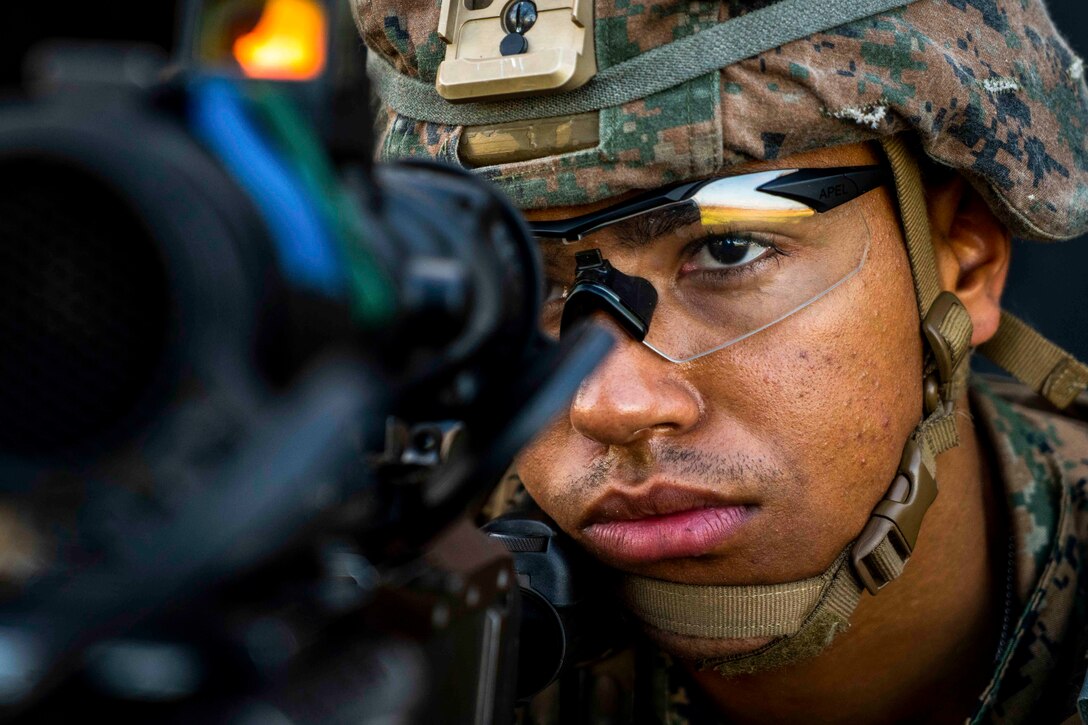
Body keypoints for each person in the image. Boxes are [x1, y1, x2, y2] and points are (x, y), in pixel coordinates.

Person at [355, 0, 1088, 720]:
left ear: (966, 254)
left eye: (726, 249)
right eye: (519, 282)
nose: (611, 405)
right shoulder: (361, 638)